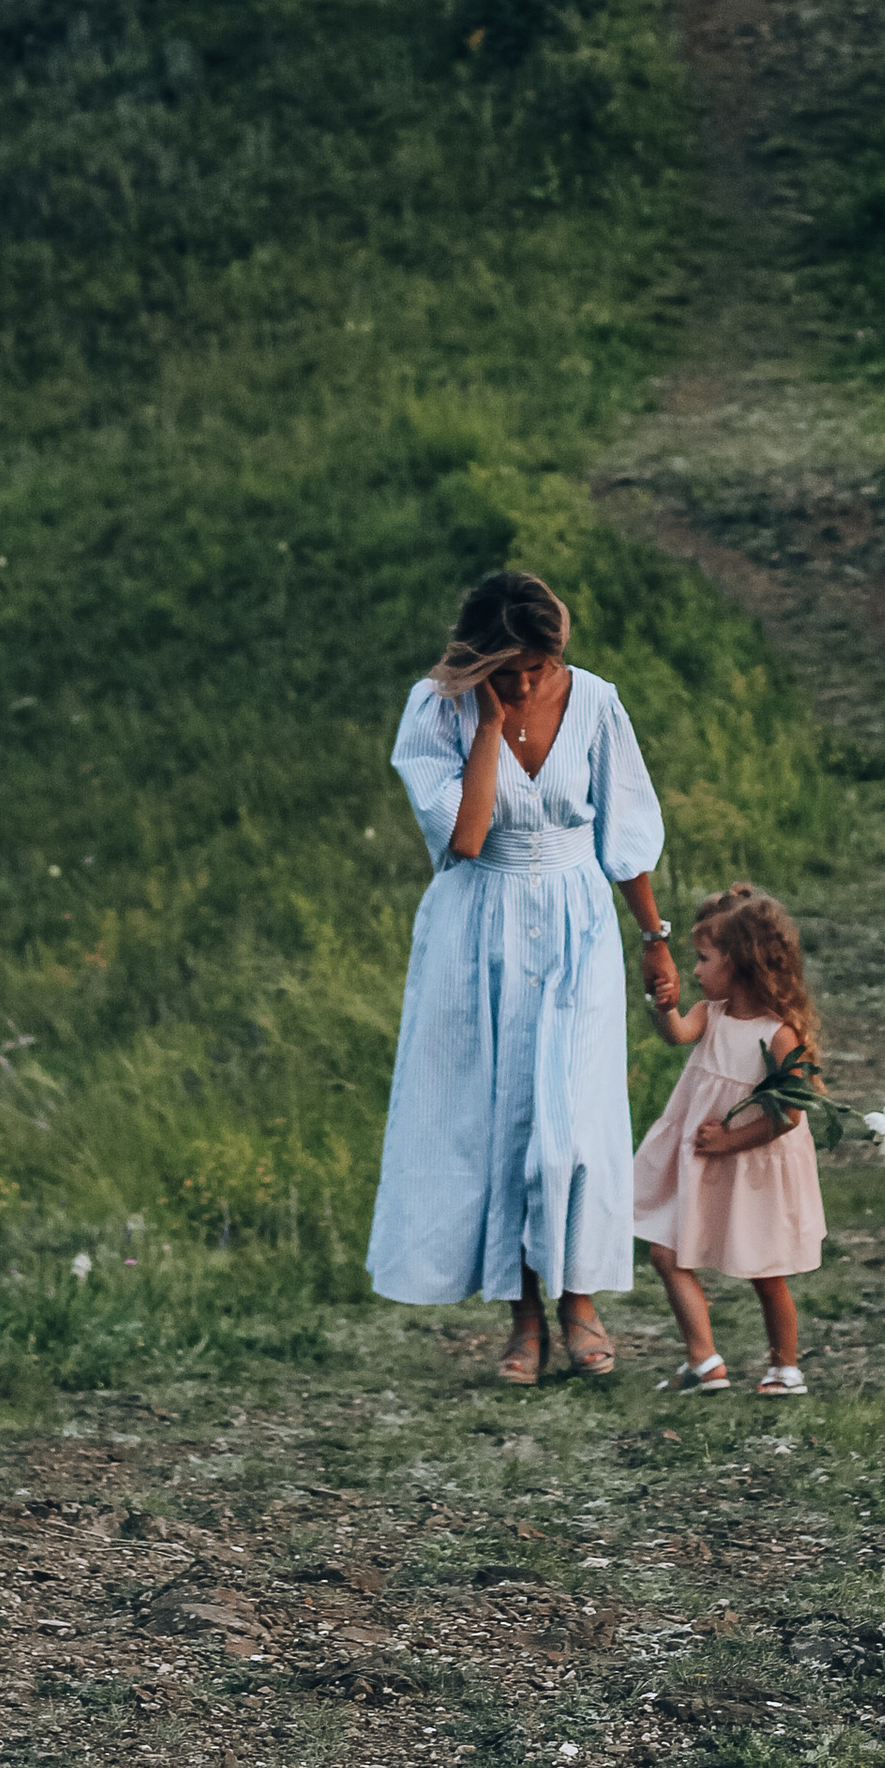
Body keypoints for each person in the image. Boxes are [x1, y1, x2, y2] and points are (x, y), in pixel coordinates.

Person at [368, 568, 675, 1383]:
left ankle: (580, 1300)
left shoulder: (598, 703)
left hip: (577, 924)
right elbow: (466, 839)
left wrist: (655, 935)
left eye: (537, 666)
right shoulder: (435, 709)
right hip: (479, 924)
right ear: (477, 660)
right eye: (507, 669)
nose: (527, 681)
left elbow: (625, 826)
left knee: (571, 1127)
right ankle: (524, 1321)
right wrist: (488, 726)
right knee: (502, 1125)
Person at [631, 882, 825, 1398]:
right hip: (705, 1159)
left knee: (766, 1269)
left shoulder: (781, 1035)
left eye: (703, 959)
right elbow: (676, 1033)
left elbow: (789, 1115)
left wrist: (730, 1141)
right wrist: (662, 1003)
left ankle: (785, 1368)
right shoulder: (712, 1015)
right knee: (666, 1252)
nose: (694, 971)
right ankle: (704, 1360)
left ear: (739, 963)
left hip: (752, 1166)